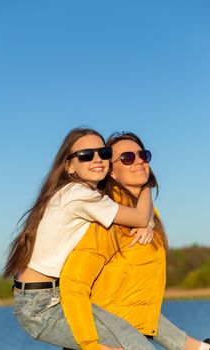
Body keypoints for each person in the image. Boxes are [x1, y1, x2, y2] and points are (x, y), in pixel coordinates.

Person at [4, 127, 155, 350]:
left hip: (48, 297)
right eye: (85, 155)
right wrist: (147, 183)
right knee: (134, 345)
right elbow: (140, 217)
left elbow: (140, 219)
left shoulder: (78, 194)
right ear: (69, 166)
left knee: (131, 340)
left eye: (103, 153)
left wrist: (148, 221)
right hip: (42, 306)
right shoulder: (79, 195)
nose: (97, 159)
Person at [60, 132, 210, 350]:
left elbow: (138, 303)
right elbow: (74, 284)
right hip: (105, 342)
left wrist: (196, 347)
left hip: (131, 338)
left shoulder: (151, 214)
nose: (139, 160)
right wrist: (91, 345)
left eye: (143, 155)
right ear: (111, 171)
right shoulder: (107, 219)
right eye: (127, 158)